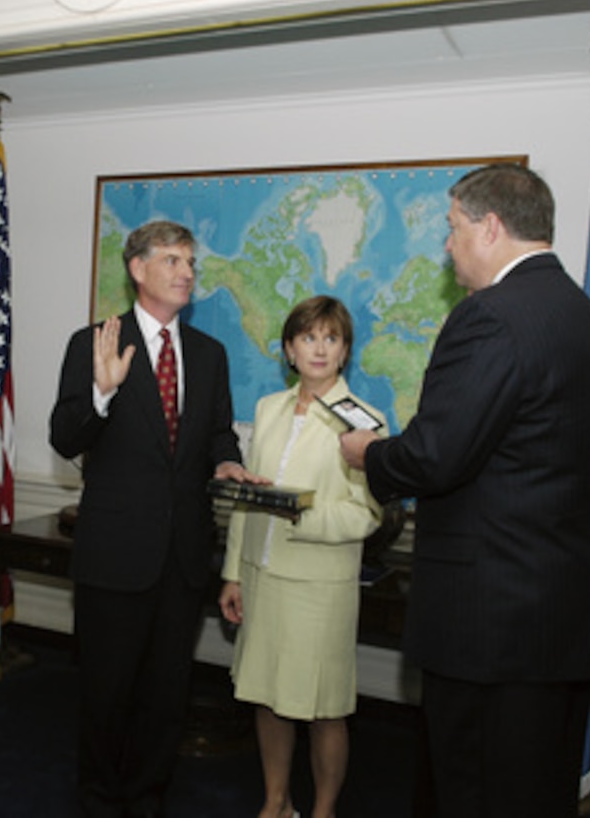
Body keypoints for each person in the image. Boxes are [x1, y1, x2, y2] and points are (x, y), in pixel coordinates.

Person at [339, 163, 590, 818]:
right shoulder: (583, 317)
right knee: (536, 790)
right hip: (559, 615)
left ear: (489, 227)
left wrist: (368, 454)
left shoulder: (490, 317)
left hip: (490, 626)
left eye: (451, 227)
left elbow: (435, 456)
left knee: (472, 791)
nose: (446, 244)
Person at [50, 220, 261, 817]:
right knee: (106, 694)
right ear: (137, 269)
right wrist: (101, 393)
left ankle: (147, 799)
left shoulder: (209, 355)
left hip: (184, 557)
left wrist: (226, 461)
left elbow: (219, 431)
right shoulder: (93, 342)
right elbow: (65, 436)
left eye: (191, 262)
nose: (187, 272)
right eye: (172, 260)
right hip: (115, 556)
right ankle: (98, 800)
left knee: (166, 697)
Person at [219, 295, 386, 818]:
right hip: (261, 580)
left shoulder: (364, 422)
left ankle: (324, 810)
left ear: (344, 352)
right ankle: (277, 802)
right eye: (308, 337)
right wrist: (232, 575)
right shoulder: (268, 409)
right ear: (289, 350)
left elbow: (367, 515)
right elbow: (247, 499)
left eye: (331, 338)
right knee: (268, 699)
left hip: (318, 590)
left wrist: (302, 517)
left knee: (322, 709)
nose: (319, 348)